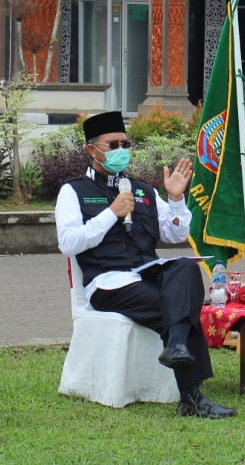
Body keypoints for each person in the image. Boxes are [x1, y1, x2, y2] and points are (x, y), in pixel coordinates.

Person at [54, 110, 235, 418]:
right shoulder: (73, 191)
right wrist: (111, 212)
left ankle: (177, 346)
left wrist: (176, 199)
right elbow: (68, 243)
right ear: (92, 150)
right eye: (113, 145)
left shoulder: (144, 190)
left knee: (187, 268)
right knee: (180, 306)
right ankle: (191, 396)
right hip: (108, 283)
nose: (122, 150)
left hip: (147, 273)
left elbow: (175, 234)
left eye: (126, 143)